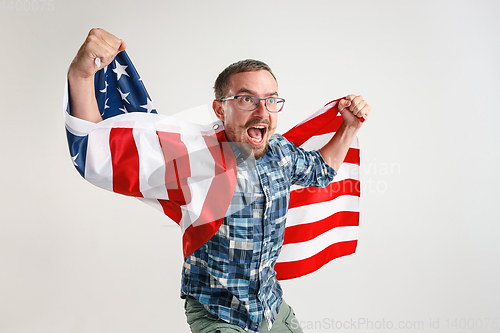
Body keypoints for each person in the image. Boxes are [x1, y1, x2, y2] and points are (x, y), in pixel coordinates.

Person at [67, 28, 370, 333]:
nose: (262, 111)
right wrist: (81, 76)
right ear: (220, 108)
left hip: (271, 309)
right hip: (219, 314)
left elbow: (321, 170)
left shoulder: (281, 153)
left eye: (270, 100)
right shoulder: (192, 157)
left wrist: (349, 127)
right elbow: (99, 154)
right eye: (246, 100)